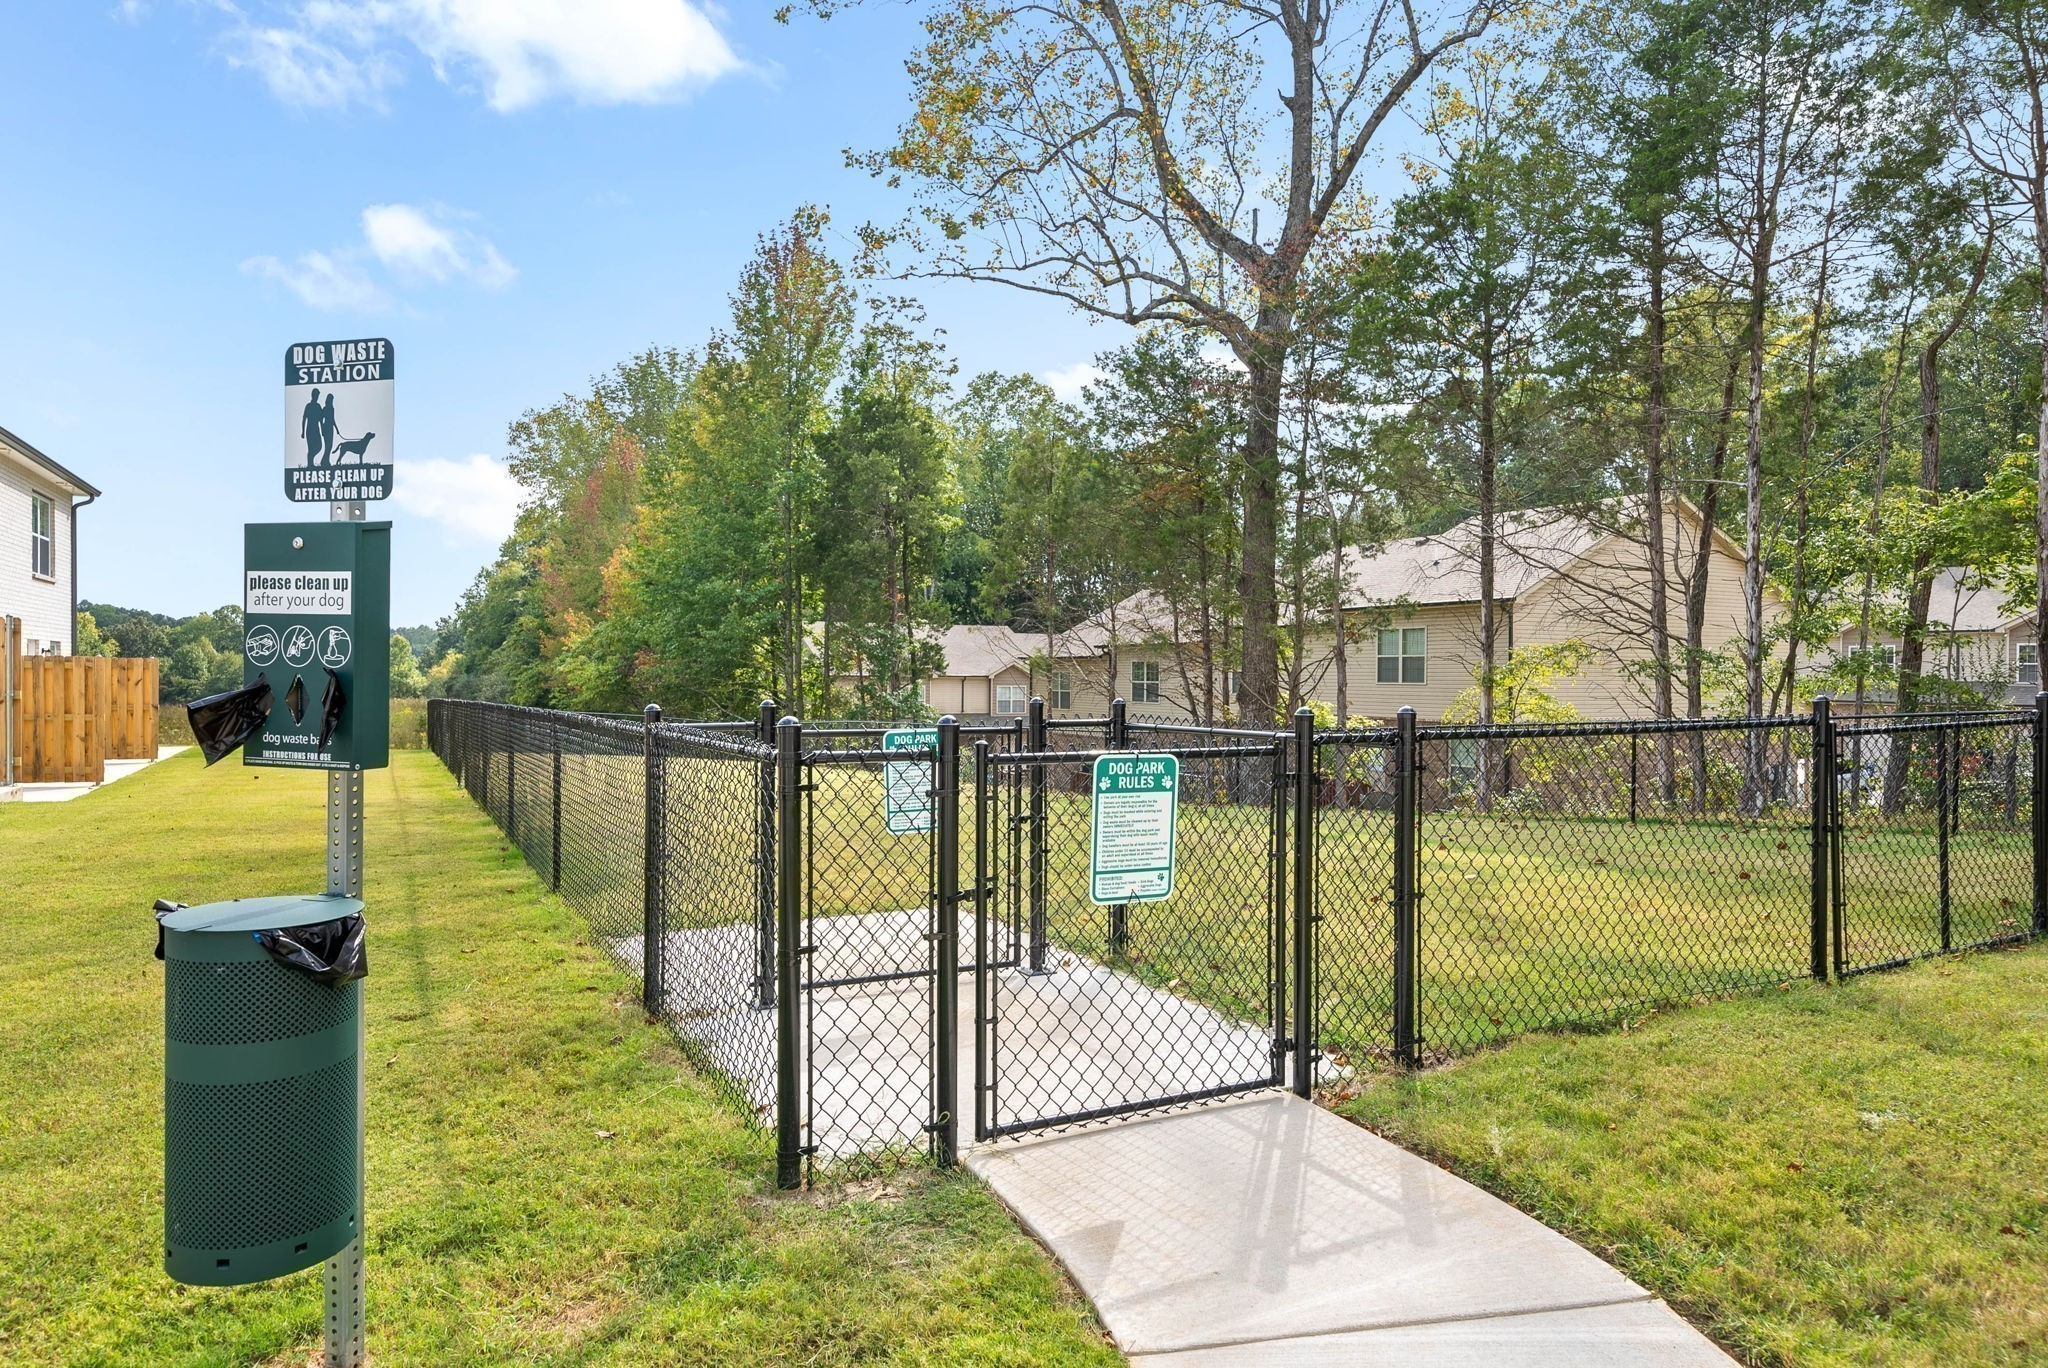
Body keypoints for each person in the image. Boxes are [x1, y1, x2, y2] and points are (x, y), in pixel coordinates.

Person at [300, 388, 324, 466]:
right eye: (316, 395)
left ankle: (310, 461)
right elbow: (304, 419)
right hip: (310, 430)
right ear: (313, 395)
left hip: (316, 430)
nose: (317, 397)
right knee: (311, 448)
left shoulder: (318, 406)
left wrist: (323, 430)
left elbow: (321, 419)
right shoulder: (308, 406)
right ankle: (310, 465)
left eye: (318, 396)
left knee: (319, 446)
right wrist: (303, 432)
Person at [320, 394, 339, 466]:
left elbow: (333, 419)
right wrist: (322, 429)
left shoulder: (332, 408)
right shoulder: (325, 408)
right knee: (327, 446)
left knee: (330, 446)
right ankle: (324, 461)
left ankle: (326, 461)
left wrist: (337, 429)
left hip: (331, 428)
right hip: (326, 427)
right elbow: (321, 419)